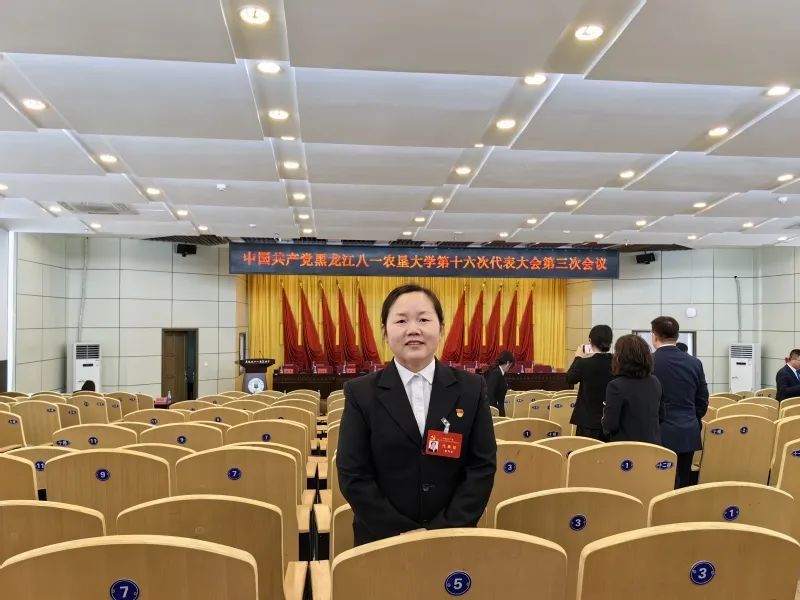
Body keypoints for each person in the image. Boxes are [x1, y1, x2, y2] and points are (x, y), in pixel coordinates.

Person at [337, 284, 497, 545]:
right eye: (401, 320)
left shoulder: (471, 388)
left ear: (441, 329)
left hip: (452, 539)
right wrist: (401, 534)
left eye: (423, 319)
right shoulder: (360, 393)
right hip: (381, 541)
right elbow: (352, 474)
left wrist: (442, 530)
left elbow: (482, 466)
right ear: (385, 333)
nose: (413, 329)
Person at [650, 316, 708, 488]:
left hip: (657, 431)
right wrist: (690, 417)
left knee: (657, 483)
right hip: (687, 430)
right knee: (682, 482)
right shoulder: (694, 363)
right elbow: (702, 400)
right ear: (677, 336)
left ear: (654, 336)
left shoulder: (648, 362)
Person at [602, 334, 663, 444]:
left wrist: (603, 419)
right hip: (653, 446)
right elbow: (662, 416)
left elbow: (610, 425)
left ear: (620, 358)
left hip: (626, 448)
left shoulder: (616, 386)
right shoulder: (655, 381)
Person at [567, 324, 615, 441]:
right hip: (611, 421)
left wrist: (578, 357)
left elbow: (569, 379)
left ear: (590, 341)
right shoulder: (618, 363)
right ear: (610, 342)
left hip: (587, 422)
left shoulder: (583, 363)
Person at [484, 350, 515, 416]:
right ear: (508, 363)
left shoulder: (497, 372)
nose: (510, 368)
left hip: (497, 409)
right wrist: (493, 413)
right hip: (495, 411)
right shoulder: (496, 373)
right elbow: (490, 394)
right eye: (511, 365)